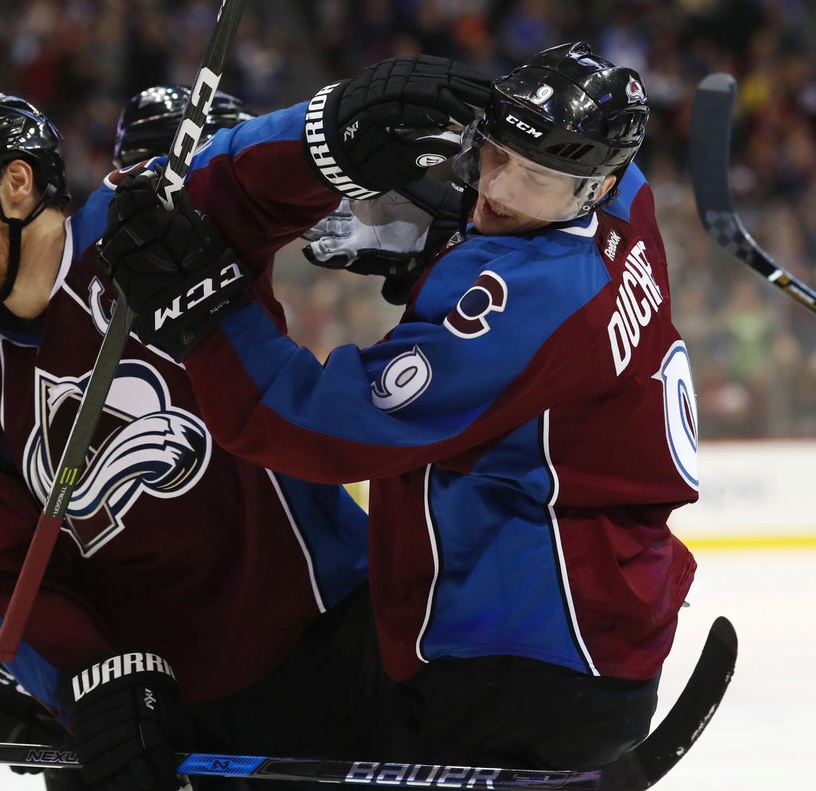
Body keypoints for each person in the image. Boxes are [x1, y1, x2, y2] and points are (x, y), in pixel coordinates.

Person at [100, 43, 699, 771]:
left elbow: (314, 424)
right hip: (602, 628)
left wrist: (205, 307)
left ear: (591, 186)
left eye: (535, 178)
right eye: (496, 153)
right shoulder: (628, 195)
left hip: (517, 656)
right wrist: (442, 237)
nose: (499, 189)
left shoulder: (526, 300)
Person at [0, 80, 454, 791]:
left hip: (322, 644)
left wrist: (328, 133)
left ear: (19, 183)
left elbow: (242, 173)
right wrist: (83, 676)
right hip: (162, 707)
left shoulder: (148, 222)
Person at [0, 84, 259, 791]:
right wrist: (11, 668)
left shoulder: (237, 284)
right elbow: (23, 534)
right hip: (127, 674)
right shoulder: (84, 291)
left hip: (250, 656)